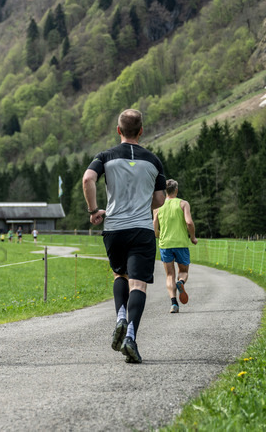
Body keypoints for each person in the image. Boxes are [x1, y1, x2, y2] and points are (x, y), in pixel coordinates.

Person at [82, 109, 166, 364]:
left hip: (114, 228)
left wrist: (94, 210)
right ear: (141, 131)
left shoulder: (105, 157)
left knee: (120, 274)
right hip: (141, 229)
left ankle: (120, 315)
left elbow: (88, 179)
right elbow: (160, 200)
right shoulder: (153, 161)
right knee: (138, 284)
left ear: (118, 130)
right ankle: (130, 336)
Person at [153, 179, 197, 313]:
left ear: (165, 191)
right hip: (181, 243)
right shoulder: (183, 204)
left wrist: (158, 235)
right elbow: (189, 222)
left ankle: (174, 304)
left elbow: (154, 224)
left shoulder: (158, 206)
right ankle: (181, 283)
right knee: (183, 271)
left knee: (169, 275)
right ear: (176, 190)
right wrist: (193, 237)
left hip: (165, 244)